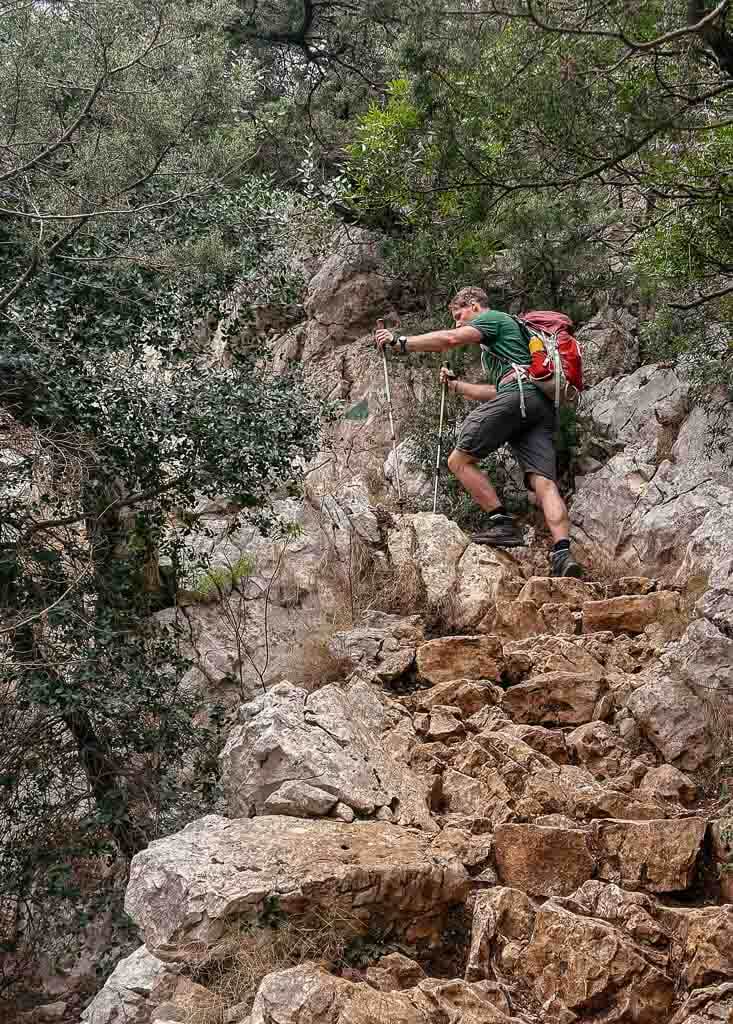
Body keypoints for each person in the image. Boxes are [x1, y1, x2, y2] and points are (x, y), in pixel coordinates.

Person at [375, 285, 583, 578]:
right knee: (544, 483)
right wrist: (457, 386)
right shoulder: (511, 342)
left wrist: (401, 342)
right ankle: (563, 553)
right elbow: (497, 391)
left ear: (474, 305)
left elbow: (449, 340)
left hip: (518, 397)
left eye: (459, 315)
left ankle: (501, 523)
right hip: (539, 406)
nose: (458, 323)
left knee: (458, 461)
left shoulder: (494, 319)